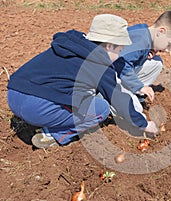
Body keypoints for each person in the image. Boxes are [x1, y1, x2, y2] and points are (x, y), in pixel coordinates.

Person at [7, 14, 159, 149]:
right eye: (119, 50)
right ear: (109, 46)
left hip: (13, 95)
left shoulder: (71, 44)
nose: (119, 56)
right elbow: (119, 100)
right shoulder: (100, 63)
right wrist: (144, 124)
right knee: (101, 109)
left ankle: (44, 119)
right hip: (36, 108)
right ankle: (54, 134)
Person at [112, 10, 171, 106]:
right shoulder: (140, 41)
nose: (168, 50)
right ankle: (119, 100)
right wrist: (138, 87)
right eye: (169, 45)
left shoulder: (144, 35)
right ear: (161, 32)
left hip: (114, 72)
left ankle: (133, 95)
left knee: (156, 63)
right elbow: (120, 63)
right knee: (135, 110)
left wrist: (145, 55)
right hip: (104, 79)